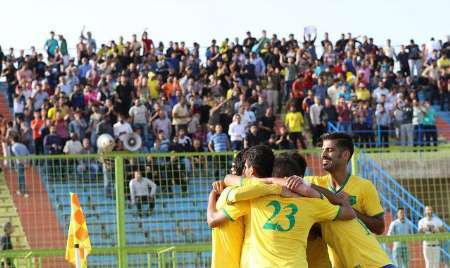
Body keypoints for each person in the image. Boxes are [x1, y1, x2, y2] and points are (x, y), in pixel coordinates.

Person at [208, 146, 355, 268]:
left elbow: (218, 213)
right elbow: (349, 213)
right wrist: (313, 191)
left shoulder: (254, 197)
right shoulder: (311, 202)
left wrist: (213, 194)